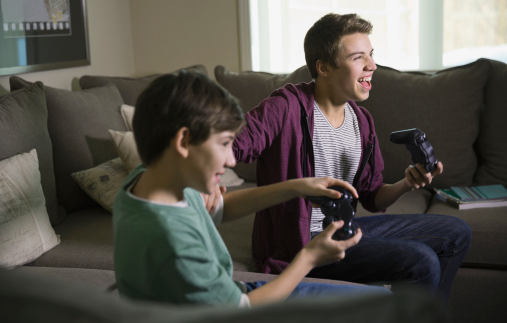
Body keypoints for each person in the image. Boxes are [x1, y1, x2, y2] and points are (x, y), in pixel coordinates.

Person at [232, 13, 471, 303]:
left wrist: (406, 183)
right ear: (324, 68)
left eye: (371, 55)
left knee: (456, 232)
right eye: (359, 58)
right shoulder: (285, 107)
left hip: (344, 229)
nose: (372, 66)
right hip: (302, 243)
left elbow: (372, 197)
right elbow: (232, 144)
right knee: (421, 260)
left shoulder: (361, 120)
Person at [112, 70, 390, 307]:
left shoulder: (150, 178)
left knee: (379, 300)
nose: (232, 159)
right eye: (223, 144)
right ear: (183, 142)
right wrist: (309, 257)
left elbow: (221, 208)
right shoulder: (175, 243)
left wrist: (297, 186)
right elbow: (242, 311)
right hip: (237, 307)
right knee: (379, 305)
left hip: (215, 299)